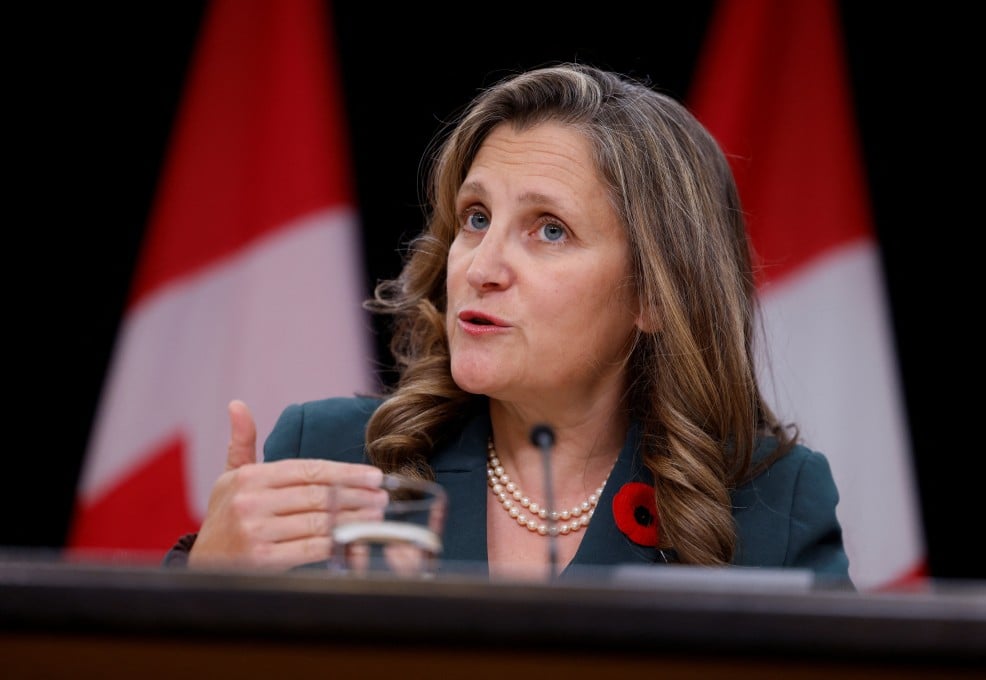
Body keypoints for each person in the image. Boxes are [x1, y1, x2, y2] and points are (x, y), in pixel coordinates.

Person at [164, 62, 851, 585]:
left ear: (654, 296)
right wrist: (203, 584)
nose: (481, 266)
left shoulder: (773, 506)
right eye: (476, 218)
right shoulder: (333, 458)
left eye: (549, 230)